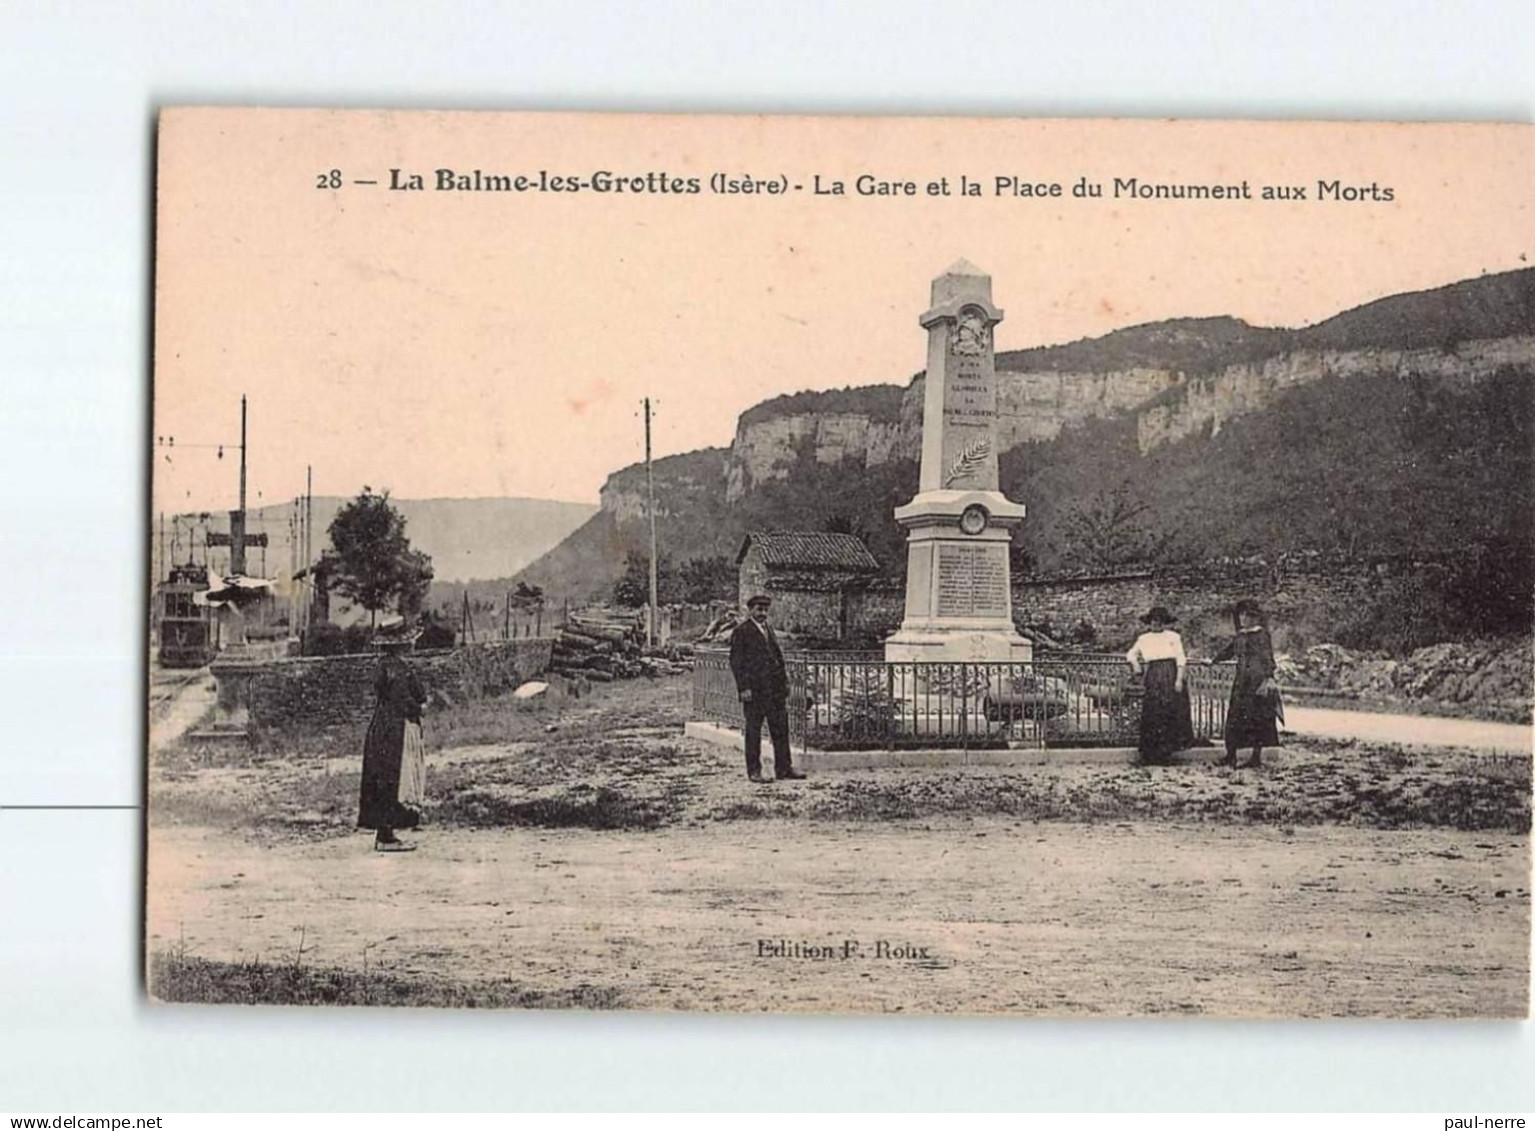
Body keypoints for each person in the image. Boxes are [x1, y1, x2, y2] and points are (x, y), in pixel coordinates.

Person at [357, 639, 429, 851]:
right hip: (395, 730)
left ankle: (384, 832)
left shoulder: (384, 665)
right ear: (401, 644)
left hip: (381, 726)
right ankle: (386, 835)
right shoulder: (397, 668)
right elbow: (402, 699)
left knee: (382, 776)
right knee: (395, 776)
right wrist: (419, 708)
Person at [729, 594, 805, 783]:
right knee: (754, 731)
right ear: (750, 610)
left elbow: (777, 658)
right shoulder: (742, 631)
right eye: (759, 609)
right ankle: (754, 771)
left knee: (780, 729)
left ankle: (784, 768)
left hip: (775, 691)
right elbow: (736, 663)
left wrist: (785, 682)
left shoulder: (768, 629)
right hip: (755, 692)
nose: (763, 613)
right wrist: (743, 688)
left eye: (765, 610)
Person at [1211, 598, 1282, 768]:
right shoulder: (1241, 635)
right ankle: (1231, 755)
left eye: (1249, 616)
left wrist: (1268, 678)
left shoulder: (1262, 635)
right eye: (1242, 615)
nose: (1245, 619)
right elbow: (1229, 651)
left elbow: (1268, 658)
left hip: (1257, 683)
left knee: (1257, 719)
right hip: (1241, 681)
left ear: (1255, 618)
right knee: (1235, 717)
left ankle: (1256, 757)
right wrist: (1213, 660)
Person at [1126, 605, 1196, 765]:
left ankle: (1166, 754)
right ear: (1149, 622)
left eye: (1159, 621)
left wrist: (1178, 680)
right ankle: (1151, 754)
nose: (1155, 623)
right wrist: (1136, 665)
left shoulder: (1173, 636)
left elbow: (1180, 659)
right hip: (1153, 675)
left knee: (1169, 712)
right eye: (1153, 620)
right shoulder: (1143, 638)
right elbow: (1131, 653)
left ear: (1164, 622)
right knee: (1153, 712)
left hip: (1170, 674)